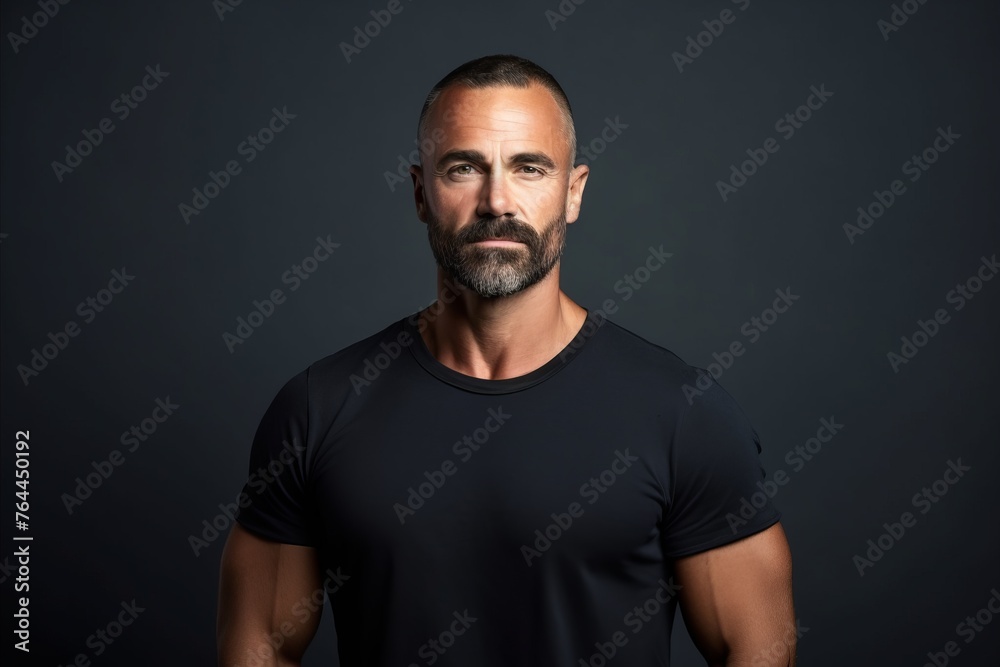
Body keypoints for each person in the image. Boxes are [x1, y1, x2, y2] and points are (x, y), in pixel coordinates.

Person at [217, 54, 795, 667]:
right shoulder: (318, 409)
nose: (497, 201)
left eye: (530, 168)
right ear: (421, 192)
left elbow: (755, 649)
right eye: (464, 167)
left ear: (572, 193)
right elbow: (261, 647)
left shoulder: (685, 415)